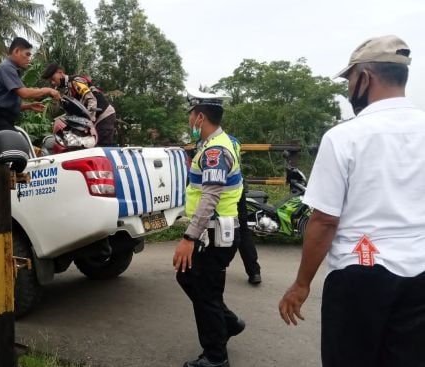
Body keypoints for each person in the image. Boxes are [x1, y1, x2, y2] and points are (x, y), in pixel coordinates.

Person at [278, 35, 425, 367]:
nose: (349, 90)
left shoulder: (344, 136)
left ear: (365, 77)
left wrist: (301, 284)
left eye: (350, 80)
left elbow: (325, 220)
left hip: (360, 277)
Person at [175, 90, 245, 367]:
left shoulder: (215, 151)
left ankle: (216, 358)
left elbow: (210, 196)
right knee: (188, 278)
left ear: (200, 117)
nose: (189, 122)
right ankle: (228, 322)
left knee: (206, 296)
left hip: (213, 234)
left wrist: (188, 237)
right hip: (216, 231)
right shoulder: (222, 143)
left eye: (190, 116)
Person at [0, 37, 61, 138]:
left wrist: (29, 106)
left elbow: (5, 103)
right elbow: (24, 93)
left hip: (1, 120)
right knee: (17, 146)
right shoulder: (6, 67)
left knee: (6, 150)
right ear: (16, 51)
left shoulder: (12, 70)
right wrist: (48, 90)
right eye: (27, 54)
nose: (29, 58)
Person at [41, 63, 117, 146]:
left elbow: (92, 100)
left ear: (60, 72)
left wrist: (89, 123)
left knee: (103, 146)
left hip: (103, 115)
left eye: (53, 79)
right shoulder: (67, 90)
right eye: (50, 81)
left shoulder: (75, 81)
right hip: (95, 118)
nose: (52, 82)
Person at [228, 136, 262, 285]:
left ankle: (214, 269)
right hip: (237, 189)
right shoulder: (235, 141)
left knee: (214, 230)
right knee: (242, 229)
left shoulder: (209, 143)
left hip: (218, 192)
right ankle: (254, 272)